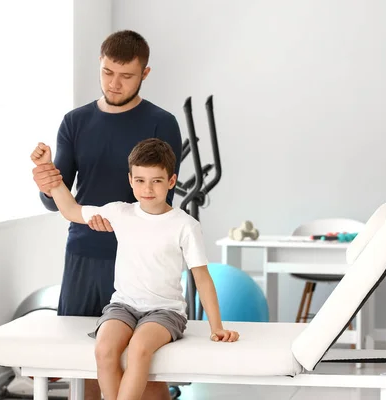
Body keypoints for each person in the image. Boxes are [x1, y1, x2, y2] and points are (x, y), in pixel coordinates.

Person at [31, 30, 183, 400]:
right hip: (85, 255)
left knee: (145, 369)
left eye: (126, 75)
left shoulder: (161, 123)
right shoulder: (75, 122)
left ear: (144, 74)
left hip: (139, 260)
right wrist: (45, 181)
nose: (114, 84)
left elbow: (161, 200)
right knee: (86, 366)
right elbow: (56, 203)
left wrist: (120, 219)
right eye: (107, 72)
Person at [31, 138, 239, 400]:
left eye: (156, 180)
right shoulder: (120, 212)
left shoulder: (185, 225)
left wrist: (216, 327)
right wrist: (49, 169)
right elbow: (71, 210)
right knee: (104, 349)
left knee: (140, 349)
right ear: (130, 180)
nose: (147, 188)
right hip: (123, 307)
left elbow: (203, 278)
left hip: (165, 311)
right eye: (140, 180)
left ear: (171, 181)